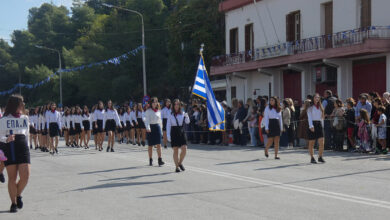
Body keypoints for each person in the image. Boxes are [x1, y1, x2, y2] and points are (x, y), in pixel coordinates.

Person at [0, 95, 31, 213]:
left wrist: (28, 146)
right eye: (21, 103)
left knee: (25, 176)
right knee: (12, 177)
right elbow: (0, 136)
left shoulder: (25, 118)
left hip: (23, 147)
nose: (23, 105)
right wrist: (6, 139)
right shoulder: (4, 119)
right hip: (10, 147)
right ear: (15, 104)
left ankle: (18, 195)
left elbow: (27, 134)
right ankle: (13, 203)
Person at [167, 99, 190, 172]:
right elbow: (168, 125)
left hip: (181, 131)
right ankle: (177, 167)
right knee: (176, 150)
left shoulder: (183, 113)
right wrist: (168, 135)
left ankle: (180, 163)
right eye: (175, 104)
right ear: (173, 105)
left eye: (178, 104)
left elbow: (187, 122)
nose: (176, 105)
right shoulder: (170, 114)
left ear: (180, 105)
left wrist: (187, 116)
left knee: (184, 149)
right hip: (174, 131)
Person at [144, 97, 165, 166]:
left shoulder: (159, 111)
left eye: (156, 102)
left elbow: (160, 121)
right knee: (150, 145)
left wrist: (161, 130)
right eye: (153, 102)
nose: (154, 104)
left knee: (159, 144)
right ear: (151, 103)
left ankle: (160, 159)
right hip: (150, 127)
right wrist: (148, 128)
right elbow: (146, 121)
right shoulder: (148, 111)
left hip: (157, 127)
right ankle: (150, 159)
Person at [307, 94, 325, 164]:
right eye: (315, 97)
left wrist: (322, 126)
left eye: (318, 97)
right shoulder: (310, 107)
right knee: (312, 143)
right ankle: (312, 157)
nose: (317, 98)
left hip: (319, 124)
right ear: (313, 98)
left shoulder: (321, 107)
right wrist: (311, 126)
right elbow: (309, 117)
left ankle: (320, 156)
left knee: (322, 142)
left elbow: (322, 118)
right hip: (313, 124)